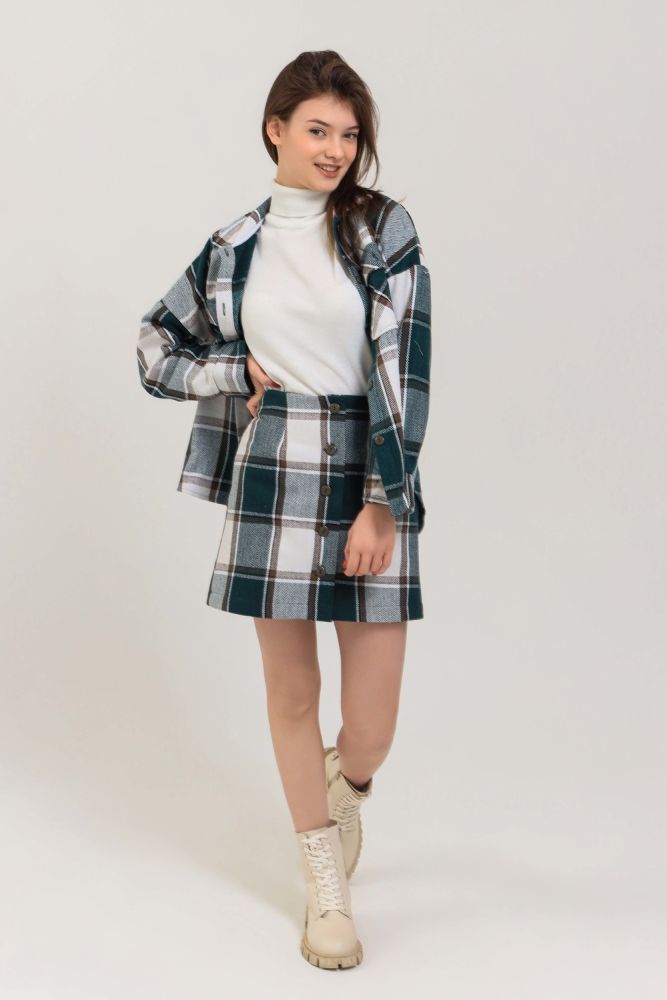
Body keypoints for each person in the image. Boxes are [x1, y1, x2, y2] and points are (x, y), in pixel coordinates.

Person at [137, 49, 431, 970]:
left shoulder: (381, 229)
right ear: (276, 129)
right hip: (275, 462)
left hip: (366, 462)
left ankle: (346, 790)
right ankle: (323, 883)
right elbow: (154, 348)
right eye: (317, 130)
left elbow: (406, 370)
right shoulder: (233, 245)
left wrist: (382, 501)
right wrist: (232, 371)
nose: (336, 149)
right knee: (293, 692)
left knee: (371, 724)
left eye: (349, 134)